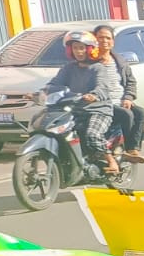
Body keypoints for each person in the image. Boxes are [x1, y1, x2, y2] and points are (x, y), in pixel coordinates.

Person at [46, 30, 122, 174]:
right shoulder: (68, 68)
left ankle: (111, 161)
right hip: (75, 110)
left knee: (92, 135)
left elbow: (102, 87)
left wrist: (94, 95)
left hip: (98, 110)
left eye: (82, 48)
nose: (78, 51)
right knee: (59, 132)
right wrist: (39, 93)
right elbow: (54, 84)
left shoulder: (98, 68)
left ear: (90, 49)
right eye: (75, 48)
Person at [92, 24, 144, 164]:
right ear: (94, 40)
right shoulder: (90, 62)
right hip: (103, 104)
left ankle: (132, 149)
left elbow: (131, 82)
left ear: (113, 41)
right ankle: (125, 148)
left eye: (108, 38)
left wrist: (128, 98)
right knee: (126, 115)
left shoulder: (119, 61)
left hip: (121, 101)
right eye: (100, 38)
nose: (104, 41)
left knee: (140, 113)